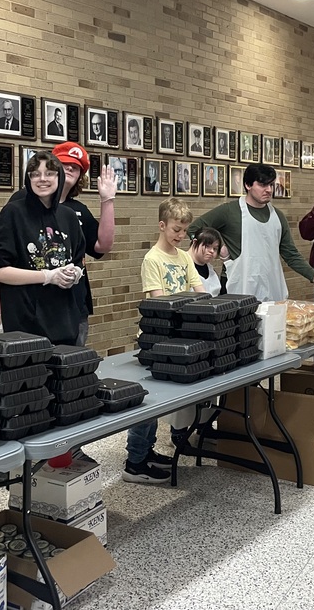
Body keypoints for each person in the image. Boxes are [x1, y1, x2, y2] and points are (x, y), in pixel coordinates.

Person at [0, 142, 116, 345]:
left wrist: (107, 199)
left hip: (69, 310)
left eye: (74, 167)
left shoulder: (73, 213)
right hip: (28, 311)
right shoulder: (18, 205)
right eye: (63, 164)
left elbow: (102, 246)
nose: (68, 170)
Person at [126, 198, 206, 485]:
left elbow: (200, 293)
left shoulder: (184, 257)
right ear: (162, 225)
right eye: (176, 229)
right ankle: (134, 461)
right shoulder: (153, 259)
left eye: (185, 231)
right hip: (156, 341)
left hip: (179, 338)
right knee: (147, 404)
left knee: (159, 404)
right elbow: (161, 302)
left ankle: (146, 451)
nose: (180, 236)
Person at [0, 151, 87, 345]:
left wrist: (74, 274)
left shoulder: (69, 217)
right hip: (25, 324)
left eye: (49, 173)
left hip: (65, 322)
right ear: (28, 178)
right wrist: (47, 277)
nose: (42, 179)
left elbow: (79, 260)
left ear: (59, 177)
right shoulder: (13, 213)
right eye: (35, 173)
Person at [190, 163, 314, 300]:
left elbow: (291, 255)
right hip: (236, 287)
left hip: (271, 287)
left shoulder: (278, 216)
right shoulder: (229, 211)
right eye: (262, 185)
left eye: (271, 184)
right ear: (248, 185)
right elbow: (193, 229)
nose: (269, 190)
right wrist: (217, 248)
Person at [189, 226, 225, 297]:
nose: (211, 251)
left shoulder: (210, 269)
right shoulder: (182, 265)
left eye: (215, 249)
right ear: (195, 242)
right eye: (207, 246)